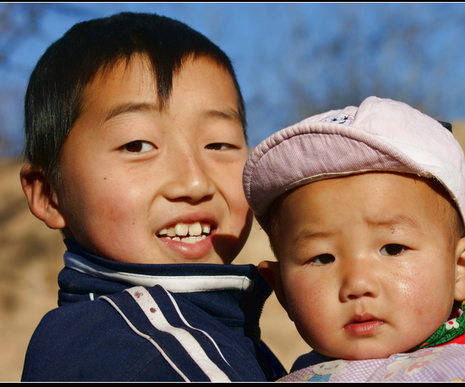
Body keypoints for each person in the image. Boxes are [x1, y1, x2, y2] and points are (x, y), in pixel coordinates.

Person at [19, 12, 285, 382]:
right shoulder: (143, 350)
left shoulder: (206, 332)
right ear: (49, 194)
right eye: (137, 144)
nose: (194, 183)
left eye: (219, 143)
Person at [242, 96, 465, 382]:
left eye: (392, 248)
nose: (357, 284)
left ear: (460, 267)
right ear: (280, 288)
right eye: (322, 257)